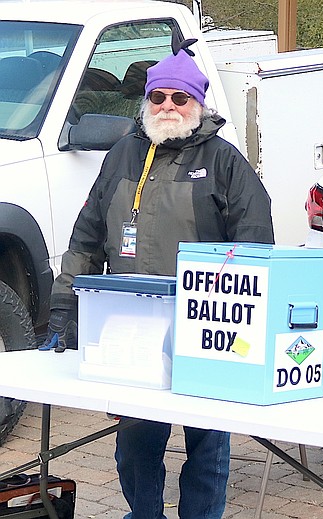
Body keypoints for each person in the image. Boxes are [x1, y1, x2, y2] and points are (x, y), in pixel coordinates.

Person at [41, 35, 274, 519]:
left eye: (180, 97)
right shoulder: (121, 156)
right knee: (135, 445)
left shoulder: (225, 162)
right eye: (158, 96)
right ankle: (144, 514)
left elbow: (255, 246)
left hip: (209, 327)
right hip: (134, 328)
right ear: (146, 101)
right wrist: (65, 312)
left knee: (207, 448)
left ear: (198, 102)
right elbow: (85, 241)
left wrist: (249, 326)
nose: (168, 105)